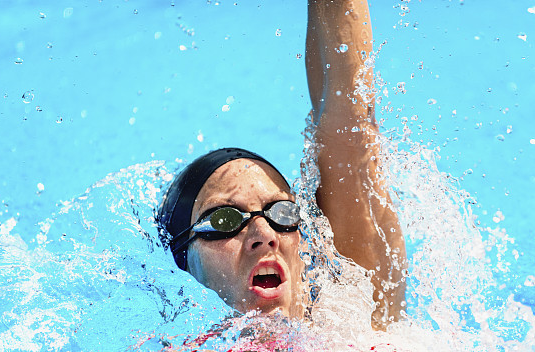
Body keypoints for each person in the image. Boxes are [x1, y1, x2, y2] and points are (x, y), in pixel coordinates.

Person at [157, 0, 405, 331]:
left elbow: (351, 125)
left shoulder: (360, 316)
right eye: (225, 219)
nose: (264, 235)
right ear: (183, 263)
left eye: (283, 214)